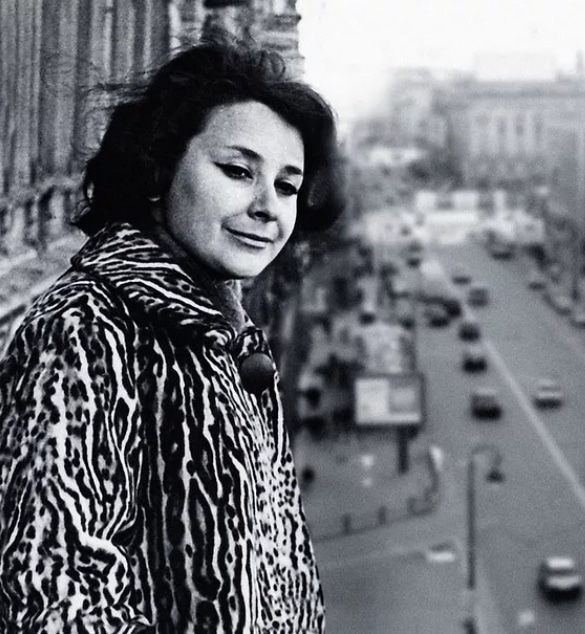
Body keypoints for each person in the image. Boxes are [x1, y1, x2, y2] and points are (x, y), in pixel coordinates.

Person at [0, 36, 344, 633]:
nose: (268, 207)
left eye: (287, 186)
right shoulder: (87, 330)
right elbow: (57, 600)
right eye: (238, 171)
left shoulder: (223, 338)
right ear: (158, 171)